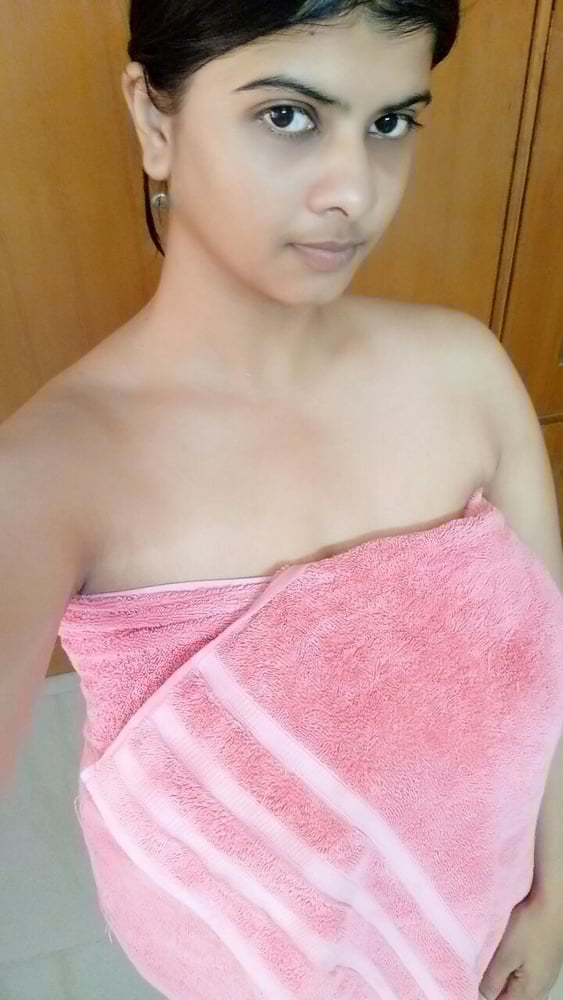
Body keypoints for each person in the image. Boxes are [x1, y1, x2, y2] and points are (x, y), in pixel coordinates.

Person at [2, 2, 563, 999]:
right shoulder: (52, 474)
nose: (355, 191)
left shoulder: (467, 372)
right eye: (288, 116)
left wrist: (552, 893)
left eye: (389, 122)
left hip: (488, 928)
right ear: (155, 119)